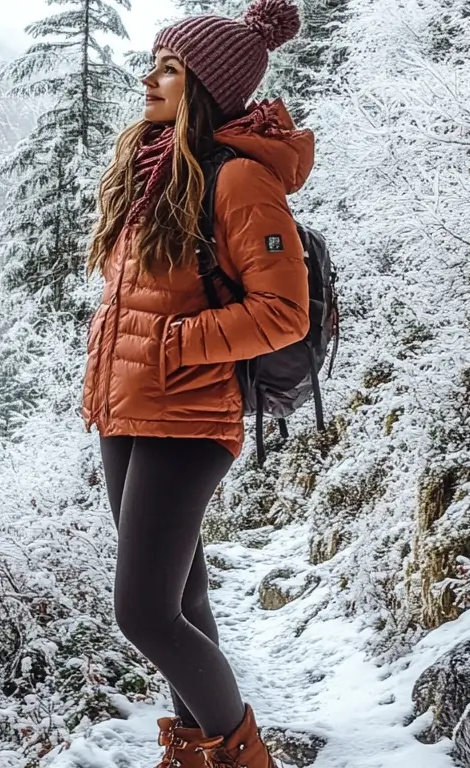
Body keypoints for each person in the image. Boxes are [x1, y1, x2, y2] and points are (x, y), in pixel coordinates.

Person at [81, 1, 314, 766]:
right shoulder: (153, 170)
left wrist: (181, 344)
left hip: (188, 413)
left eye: (169, 68)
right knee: (181, 601)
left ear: (205, 85)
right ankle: (194, 752)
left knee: (144, 612)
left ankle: (244, 759)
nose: (150, 78)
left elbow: (283, 311)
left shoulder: (241, 179)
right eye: (154, 63)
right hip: (128, 409)